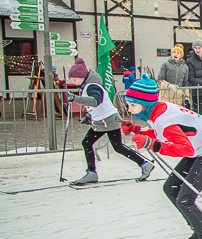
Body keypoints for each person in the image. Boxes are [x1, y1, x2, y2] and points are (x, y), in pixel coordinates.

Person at [122, 75, 202, 239]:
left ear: (144, 104)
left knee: (185, 199)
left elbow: (183, 148)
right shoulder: (155, 110)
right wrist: (139, 130)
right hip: (199, 149)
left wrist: (152, 144)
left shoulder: (164, 118)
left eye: (132, 105)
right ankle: (197, 230)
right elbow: (162, 132)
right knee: (171, 189)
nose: (128, 109)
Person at [65, 58, 154, 186]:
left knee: (101, 144)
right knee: (108, 145)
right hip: (102, 121)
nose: (73, 82)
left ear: (83, 77)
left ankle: (92, 172)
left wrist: (75, 98)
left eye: (74, 79)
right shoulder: (87, 86)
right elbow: (97, 106)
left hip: (109, 120)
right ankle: (144, 164)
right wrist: (90, 117)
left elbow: (95, 101)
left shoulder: (92, 86)